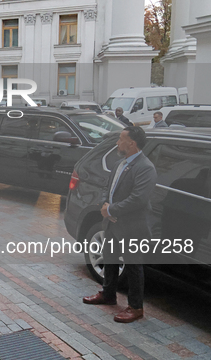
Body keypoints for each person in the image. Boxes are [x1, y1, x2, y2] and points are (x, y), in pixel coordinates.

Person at [83, 126, 157, 323]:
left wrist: (112, 210)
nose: (117, 142)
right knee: (110, 258)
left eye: (121, 139)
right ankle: (108, 294)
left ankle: (136, 307)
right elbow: (108, 189)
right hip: (112, 223)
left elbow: (138, 199)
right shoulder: (120, 164)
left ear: (132, 143)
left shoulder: (145, 167)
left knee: (133, 266)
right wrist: (104, 205)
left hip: (132, 226)